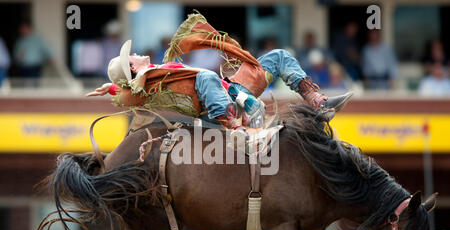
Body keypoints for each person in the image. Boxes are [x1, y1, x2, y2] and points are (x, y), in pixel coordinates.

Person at [87, 13, 353, 135]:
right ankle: (235, 125)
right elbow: (135, 91)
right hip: (215, 106)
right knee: (205, 77)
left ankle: (318, 102)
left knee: (278, 57)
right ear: (132, 68)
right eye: (131, 57)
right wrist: (118, 85)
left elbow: (129, 90)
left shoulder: (157, 72)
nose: (135, 54)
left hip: (231, 91)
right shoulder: (149, 80)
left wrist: (109, 87)